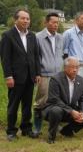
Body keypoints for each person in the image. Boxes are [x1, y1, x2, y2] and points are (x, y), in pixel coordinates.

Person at [0, 9, 41, 141]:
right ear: (15, 19)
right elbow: (5, 58)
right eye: (23, 18)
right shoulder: (8, 35)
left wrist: (37, 73)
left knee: (27, 105)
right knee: (13, 105)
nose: (26, 21)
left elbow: (35, 56)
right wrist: (8, 76)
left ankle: (26, 128)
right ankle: (11, 131)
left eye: (27, 19)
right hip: (15, 78)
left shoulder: (32, 36)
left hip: (30, 77)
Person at [42, 57, 83, 144]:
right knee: (56, 111)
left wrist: (82, 112)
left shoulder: (81, 80)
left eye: (77, 67)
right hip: (55, 108)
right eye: (72, 67)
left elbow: (82, 99)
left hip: (71, 109)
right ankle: (51, 137)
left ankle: (66, 131)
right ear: (65, 68)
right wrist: (71, 111)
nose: (75, 70)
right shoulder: (55, 79)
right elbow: (54, 99)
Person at [33, 12, 64, 135]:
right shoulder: (38, 37)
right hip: (44, 74)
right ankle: (37, 127)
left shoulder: (60, 37)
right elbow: (35, 57)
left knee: (57, 101)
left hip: (58, 75)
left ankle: (55, 125)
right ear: (46, 23)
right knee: (41, 102)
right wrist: (37, 74)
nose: (56, 25)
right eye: (53, 22)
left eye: (57, 22)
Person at [63, 12, 83, 97]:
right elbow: (64, 51)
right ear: (76, 20)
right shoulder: (68, 33)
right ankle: (72, 110)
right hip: (74, 67)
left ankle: (82, 109)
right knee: (73, 92)